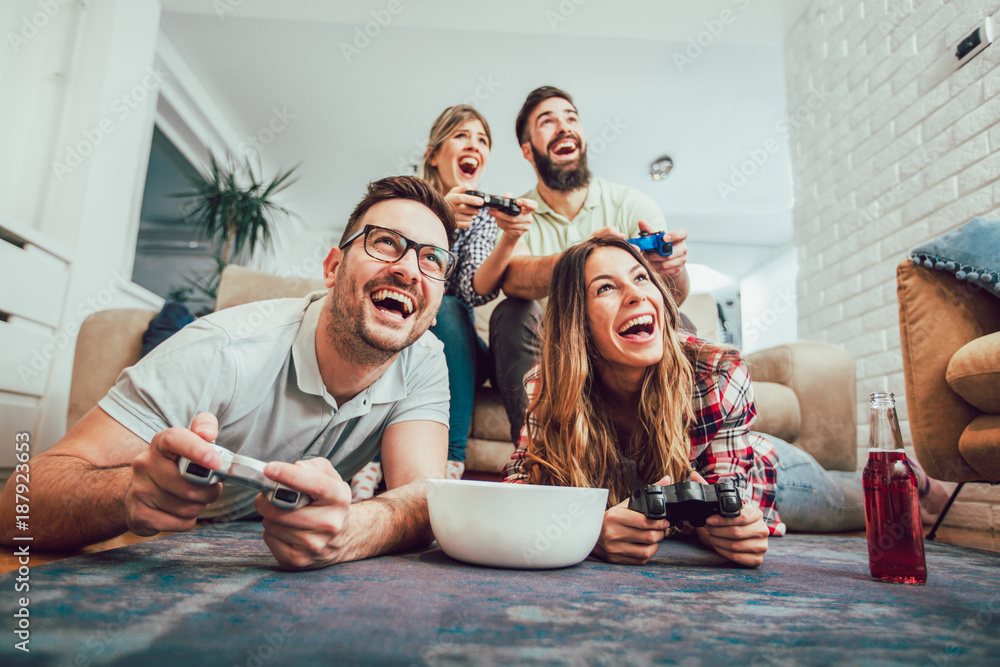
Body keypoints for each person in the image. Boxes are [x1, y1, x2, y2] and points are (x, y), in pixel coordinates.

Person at [0, 176, 457, 571]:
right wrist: (125, 493)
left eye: (432, 259)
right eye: (385, 243)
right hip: (168, 559)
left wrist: (351, 529)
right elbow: (15, 506)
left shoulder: (426, 358)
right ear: (334, 268)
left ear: (435, 305)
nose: (407, 270)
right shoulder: (219, 349)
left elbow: (425, 498)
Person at [501, 237, 947, 567]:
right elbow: (516, 491)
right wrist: (590, 531)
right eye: (606, 288)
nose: (637, 293)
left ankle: (915, 479)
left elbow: (724, 498)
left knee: (853, 499)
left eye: (641, 278)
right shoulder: (549, 387)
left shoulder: (716, 371)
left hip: (772, 473)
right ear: (577, 324)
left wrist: (730, 531)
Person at [351, 105, 536, 498]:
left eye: (483, 140)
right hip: (406, 331)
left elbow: (473, 290)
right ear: (434, 153)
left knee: (449, 309)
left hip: (459, 342)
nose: (475, 146)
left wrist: (510, 237)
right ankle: (371, 460)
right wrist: (442, 221)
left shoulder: (486, 217)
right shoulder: (406, 203)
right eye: (463, 136)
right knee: (397, 325)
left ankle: (450, 461)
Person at [490, 85, 692, 443]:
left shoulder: (632, 203)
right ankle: (534, 448)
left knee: (682, 322)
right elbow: (513, 280)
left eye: (571, 118)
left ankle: (678, 446)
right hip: (558, 352)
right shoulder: (518, 214)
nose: (564, 127)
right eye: (547, 122)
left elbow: (676, 296)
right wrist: (585, 258)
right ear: (528, 149)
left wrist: (672, 269)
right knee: (511, 314)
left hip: (623, 343)